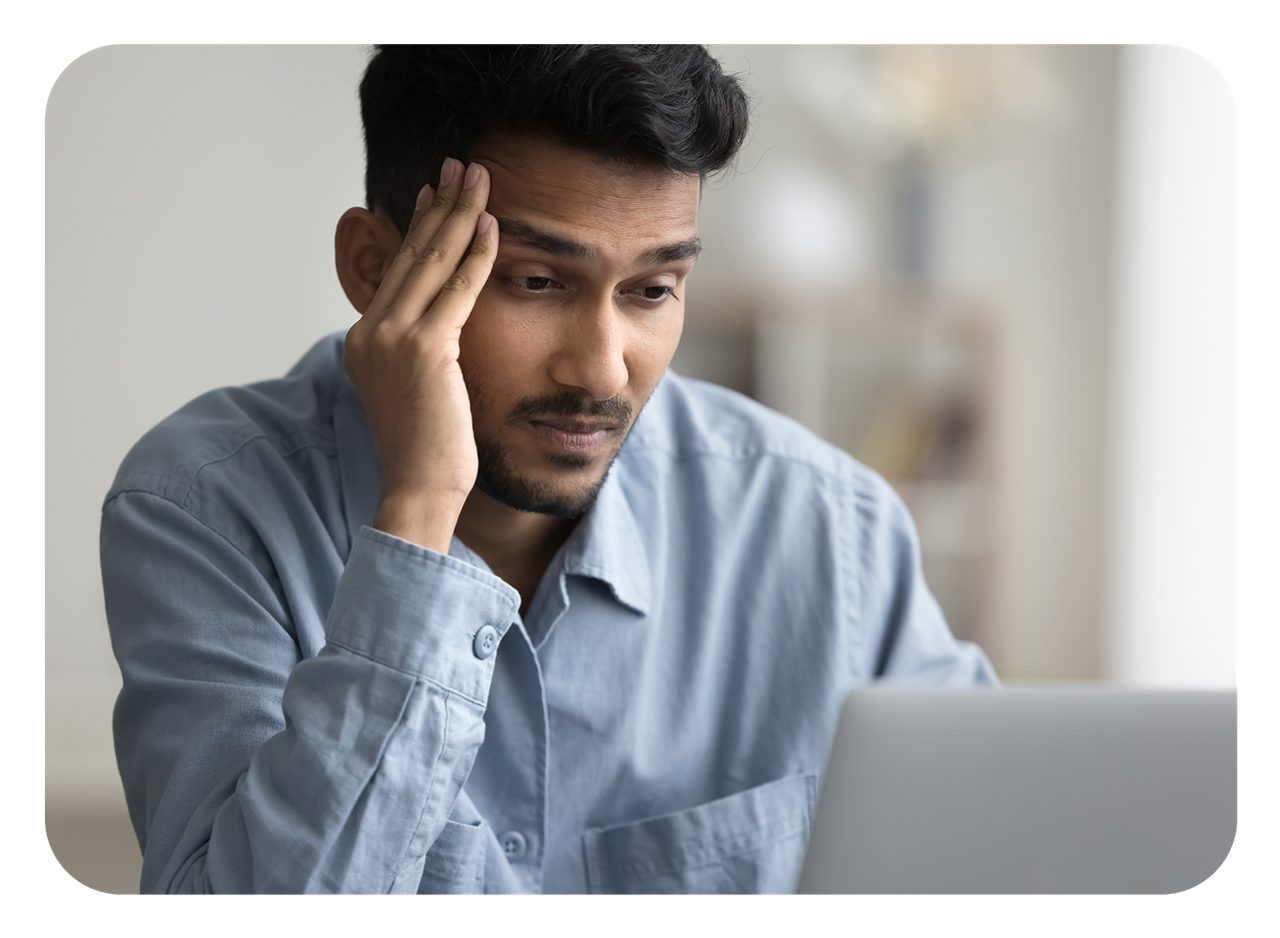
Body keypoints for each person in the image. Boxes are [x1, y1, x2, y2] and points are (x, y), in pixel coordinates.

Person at [102, 44, 997, 895]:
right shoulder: (207, 508)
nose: (601, 372)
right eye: (535, 281)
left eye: (652, 290)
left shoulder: (829, 529)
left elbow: (997, 844)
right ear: (375, 270)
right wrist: (419, 512)